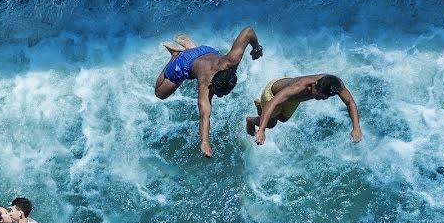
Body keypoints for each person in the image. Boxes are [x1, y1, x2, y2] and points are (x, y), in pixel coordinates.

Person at [154, 27, 263, 157]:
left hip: (205, 51)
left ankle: (191, 49)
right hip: (185, 63)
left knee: (197, 58)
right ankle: (176, 55)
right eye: (218, 93)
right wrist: (205, 141)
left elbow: (248, 31)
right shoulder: (205, 86)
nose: (221, 96)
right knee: (160, 93)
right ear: (211, 85)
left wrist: (256, 48)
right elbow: (204, 116)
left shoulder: (231, 61)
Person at [246, 74, 363, 145]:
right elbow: (273, 102)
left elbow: (350, 102)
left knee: (283, 119)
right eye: (317, 95)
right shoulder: (300, 85)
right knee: (272, 124)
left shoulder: (336, 85)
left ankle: (261, 107)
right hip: (273, 94)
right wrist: (261, 130)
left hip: (293, 99)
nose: (318, 98)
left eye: (322, 98)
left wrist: (356, 127)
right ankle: (251, 120)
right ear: (315, 84)